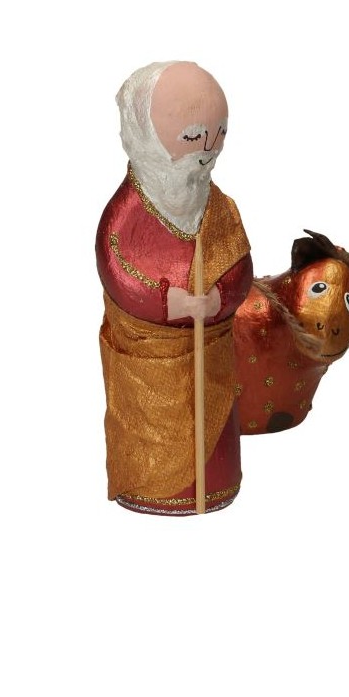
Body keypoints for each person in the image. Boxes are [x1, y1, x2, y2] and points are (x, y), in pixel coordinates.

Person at [96, 61, 253, 515]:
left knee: (214, 426)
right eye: (192, 136)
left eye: (218, 135)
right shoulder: (124, 213)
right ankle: (152, 492)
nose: (207, 150)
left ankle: (216, 488)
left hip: (213, 353)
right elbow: (117, 267)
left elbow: (240, 263)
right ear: (145, 137)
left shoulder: (220, 208)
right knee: (155, 438)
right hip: (148, 363)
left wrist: (221, 297)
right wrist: (170, 302)